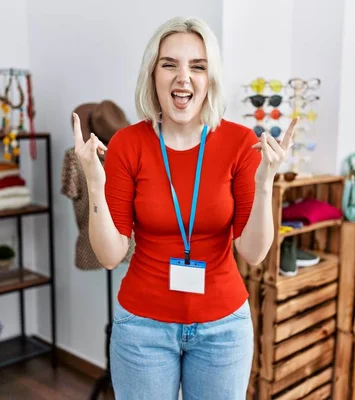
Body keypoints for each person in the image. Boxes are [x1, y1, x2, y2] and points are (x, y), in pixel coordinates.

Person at [73, 16, 296, 400]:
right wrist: (95, 181)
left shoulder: (241, 142)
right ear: (152, 73)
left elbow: (253, 253)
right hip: (142, 329)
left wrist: (264, 184)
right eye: (169, 64)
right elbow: (110, 256)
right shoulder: (128, 144)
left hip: (223, 330)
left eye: (197, 66)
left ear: (210, 78)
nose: (183, 77)